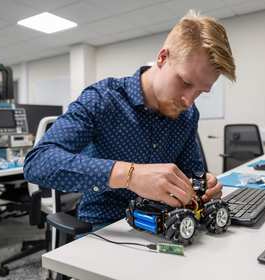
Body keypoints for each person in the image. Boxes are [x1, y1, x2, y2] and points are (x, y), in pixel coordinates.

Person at [24, 10, 236, 228]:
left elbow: (191, 171)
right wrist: (130, 175)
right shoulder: (102, 99)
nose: (189, 101)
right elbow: (37, 162)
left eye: (201, 91)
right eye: (185, 82)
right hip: (107, 225)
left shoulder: (188, 115)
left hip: (166, 221)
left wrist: (205, 184)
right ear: (163, 58)